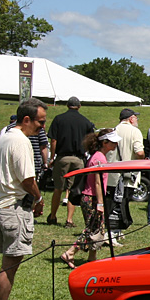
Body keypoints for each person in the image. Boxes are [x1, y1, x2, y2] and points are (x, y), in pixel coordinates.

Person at [0, 98, 48, 300]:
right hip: (12, 208)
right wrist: (39, 198)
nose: (42, 127)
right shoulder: (21, 141)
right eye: (40, 122)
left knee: (9, 263)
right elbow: (27, 179)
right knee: (10, 265)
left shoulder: (6, 134)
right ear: (26, 119)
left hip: (0, 206)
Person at [60, 129, 121, 268]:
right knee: (92, 228)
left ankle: (92, 258)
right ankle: (70, 252)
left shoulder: (97, 155)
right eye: (113, 142)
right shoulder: (99, 158)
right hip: (92, 197)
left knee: (98, 227)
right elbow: (98, 182)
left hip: (91, 197)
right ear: (105, 142)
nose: (116, 144)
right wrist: (100, 203)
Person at [46, 96, 95, 227]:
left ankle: (53, 216)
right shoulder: (85, 122)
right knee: (73, 189)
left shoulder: (58, 119)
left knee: (58, 188)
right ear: (79, 107)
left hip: (62, 157)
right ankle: (69, 220)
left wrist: (52, 158)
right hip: (79, 159)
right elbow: (91, 140)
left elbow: (54, 140)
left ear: (67, 105)